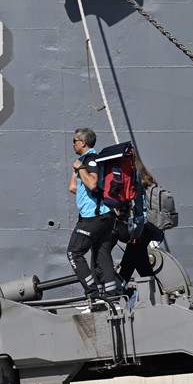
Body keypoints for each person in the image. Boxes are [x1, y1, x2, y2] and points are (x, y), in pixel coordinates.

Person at [67, 127, 126, 303]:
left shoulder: (91, 160)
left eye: (74, 141)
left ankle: (93, 294)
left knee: (74, 253)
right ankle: (111, 296)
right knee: (102, 254)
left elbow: (92, 184)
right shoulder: (84, 161)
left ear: (83, 142)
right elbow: (73, 188)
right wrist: (76, 169)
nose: (72, 144)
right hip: (104, 216)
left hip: (94, 217)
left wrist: (81, 167)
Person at [117, 156, 168, 281]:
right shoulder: (148, 181)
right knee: (132, 261)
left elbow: (138, 210)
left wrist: (136, 233)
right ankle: (120, 291)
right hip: (150, 225)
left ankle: (155, 293)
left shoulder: (135, 181)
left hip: (140, 227)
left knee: (137, 262)